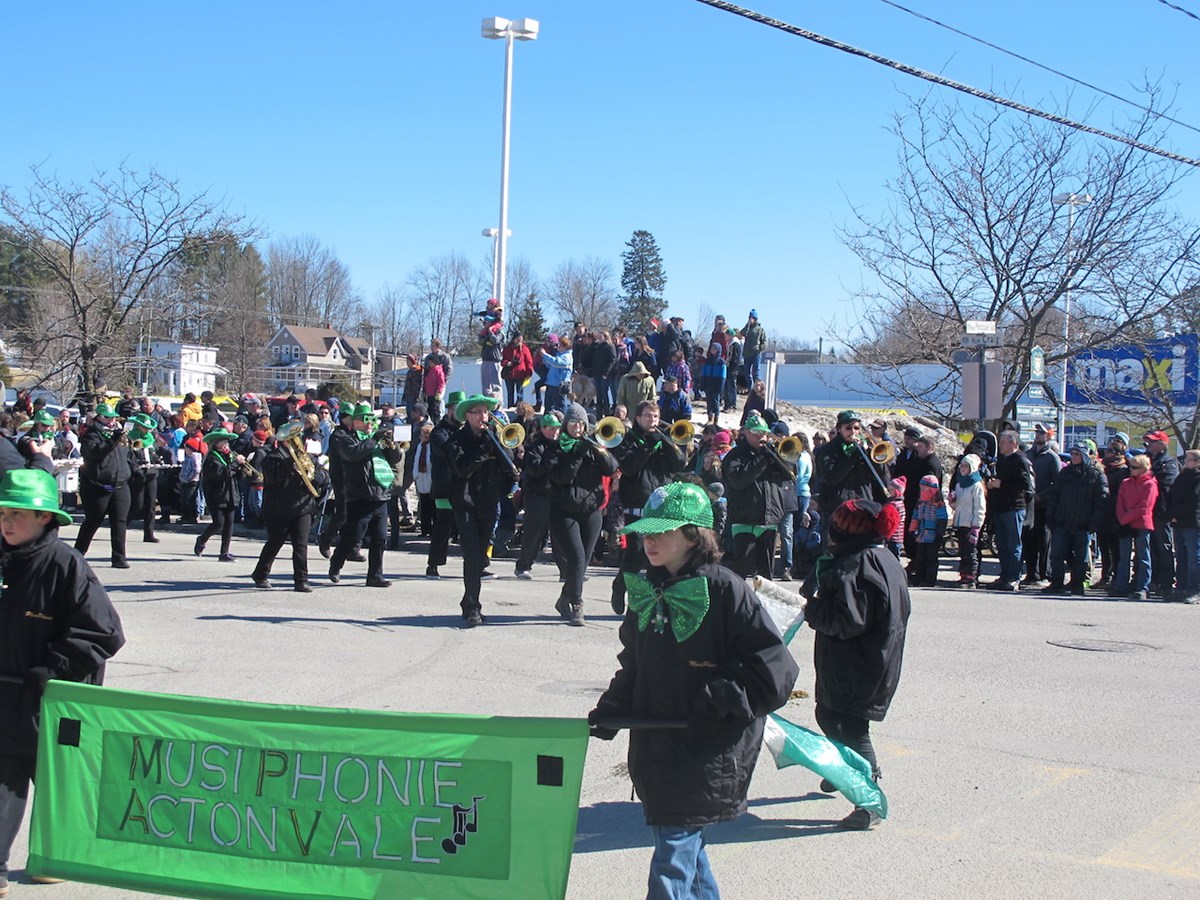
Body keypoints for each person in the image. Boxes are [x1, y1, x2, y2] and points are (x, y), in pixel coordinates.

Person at [588, 481, 799, 898]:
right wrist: (615, 704)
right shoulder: (646, 588)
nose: (648, 540)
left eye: (661, 531)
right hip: (658, 741)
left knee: (672, 855)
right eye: (646, 530)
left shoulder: (726, 589)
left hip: (708, 744)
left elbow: (774, 666)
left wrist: (721, 695)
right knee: (686, 850)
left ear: (691, 536)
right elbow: (634, 660)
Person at [0, 469, 125, 897]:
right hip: (6, 696)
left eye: (18, 513)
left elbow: (103, 632)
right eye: (3, 513)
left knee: (56, 785)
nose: (7, 522)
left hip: (50, 700)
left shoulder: (65, 564)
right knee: (5, 780)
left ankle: (54, 856)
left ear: (46, 519)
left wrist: (53, 668)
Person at [802, 498, 910, 830]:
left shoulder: (858, 565)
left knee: (852, 728)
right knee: (828, 714)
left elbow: (846, 620)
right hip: (870, 661)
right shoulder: (881, 556)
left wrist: (811, 610)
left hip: (859, 666)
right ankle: (842, 770)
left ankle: (870, 801)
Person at [609, 401, 687, 613]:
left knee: (661, 557)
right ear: (638, 418)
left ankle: (653, 602)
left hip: (662, 507)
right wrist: (647, 446)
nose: (652, 421)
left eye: (655, 416)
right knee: (636, 553)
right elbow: (629, 467)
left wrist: (668, 443)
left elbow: (679, 464)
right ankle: (620, 586)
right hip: (636, 505)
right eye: (648, 416)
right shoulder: (627, 439)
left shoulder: (663, 438)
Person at [546, 403, 618, 625]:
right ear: (566, 424)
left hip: (591, 511)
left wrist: (600, 450)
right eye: (573, 422)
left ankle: (564, 598)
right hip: (563, 512)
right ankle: (577, 604)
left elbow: (612, 468)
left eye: (581, 423)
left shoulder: (593, 446)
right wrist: (577, 454)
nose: (577, 427)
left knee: (583, 561)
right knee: (576, 558)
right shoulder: (556, 448)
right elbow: (562, 478)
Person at [445, 394, 512, 626]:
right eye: (479, 412)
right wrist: (485, 452)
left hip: (489, 502)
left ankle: (468, 600)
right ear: (468, 416)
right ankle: (473, 607)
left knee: (481, 556)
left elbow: (508, 466)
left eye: (486, 412)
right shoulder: (455, 441)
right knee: (472, 555)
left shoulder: (492, 437)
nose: (484, 416)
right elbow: (463, 468)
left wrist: (507, 451)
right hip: (465, 503)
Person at [251, 422, 330, 593]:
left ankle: (301, 580)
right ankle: (260, 574)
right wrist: (291, 466)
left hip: (303, 507)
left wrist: (316, 476)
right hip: (279, 508)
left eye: (297, 437)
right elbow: (271, 478)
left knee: (301, 545)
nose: (295, 441)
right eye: (291, 438)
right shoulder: (271, 457)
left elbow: (324, 475)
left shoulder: (307, 456)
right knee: (275, 542)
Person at [328, 403, 394, 588]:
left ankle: (375, 575)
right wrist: (373, 439)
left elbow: (394, 459)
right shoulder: (346, 439)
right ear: (355, 422)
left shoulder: (374, 440)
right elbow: (354, 454)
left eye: (372, 420)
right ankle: (336, 563)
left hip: (380, 494)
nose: (370, 424)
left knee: (380, 538)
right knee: (352, 537)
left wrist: (393, 446)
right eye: (366, 420)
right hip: (359, 495)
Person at [722, 414, 796, 578]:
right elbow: (739, 480)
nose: (761, 437)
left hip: (769, 520)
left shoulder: (772, 454)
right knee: (741, 569)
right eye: (756, 433)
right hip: (744, 520)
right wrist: (763, 458)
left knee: (766, 575)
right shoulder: (735, 456)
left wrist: (779, 456)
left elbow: (790, 475)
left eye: (763, 433)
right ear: (746, 433)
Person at [811, 410, 890, 543]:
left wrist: (874, 456)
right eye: (848, 428)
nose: (853, 432)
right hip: (836, 509)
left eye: (856, 428)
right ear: (839, 429)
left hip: (862, 507)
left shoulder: (866, 449)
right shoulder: (827, 450)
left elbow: (881, 475)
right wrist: (853, 456)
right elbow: (831, 478)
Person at [1042, 444, 1108, 596]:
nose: (1073, 456)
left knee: (1081, 557)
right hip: (1063, 521)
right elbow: (1054, 496)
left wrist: (1095, 522)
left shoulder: (1096, 475)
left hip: (1083, 524)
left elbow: (1101, 500)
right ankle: (1056, 582)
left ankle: (1077, 584)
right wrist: (1051, 516)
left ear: (1085, 455)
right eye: (1072, 453)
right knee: (1057, 554)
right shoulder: (1064, 473)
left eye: (1077, 454)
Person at [73, 403, 132, 569]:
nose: (111, 420)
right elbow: (94, 453)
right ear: (98, 417)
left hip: (120, 484)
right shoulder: (91, 434)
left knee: (120, 522)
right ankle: (77, 554)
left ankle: (119, 557)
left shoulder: (120, 435)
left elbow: (127, 455)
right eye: (107, 417)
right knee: (93, 520)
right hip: (98, 485)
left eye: (113, 416)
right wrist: (112, 440)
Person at [513, 411, 564, 580]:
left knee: (560, 535)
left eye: (557, 429)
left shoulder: (560, 445)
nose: (554, 432)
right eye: (551, 429)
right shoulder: (535, 446)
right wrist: (551, 456)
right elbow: (535, 469)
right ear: (543, 428)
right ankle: (523, 566)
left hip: (556, 495)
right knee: (533, 533)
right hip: (537, 496)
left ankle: (566, 571)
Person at [986, 430, 1035, 591]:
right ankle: (1004, 575)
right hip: (1000, 507)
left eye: (1003, 442)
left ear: (1013, 443)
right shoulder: (1002, 460)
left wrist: (1002, 485)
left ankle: (1014, 577)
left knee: (1013, 544)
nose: (1000, 445)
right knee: (1002, 544)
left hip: (1014, 507)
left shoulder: (1020, 460)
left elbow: (1025, 485)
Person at [425, 391, 466, 579]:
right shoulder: (438, 432)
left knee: (470, 529)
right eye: (457, 409)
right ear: (449, 410)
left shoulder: (466, 430)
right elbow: (447, 451)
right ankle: (433, 565)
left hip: (465, 488)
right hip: (445, 487)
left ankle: (479, 565)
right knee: (443, 528)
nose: (461, 414)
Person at [193, 428, 244, 561]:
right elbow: (222, 474)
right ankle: (202, 539)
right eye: (223, 441)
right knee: (218, 523)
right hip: (217, 495)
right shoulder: (212, 458)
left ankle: (224, 552)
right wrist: (235, 464)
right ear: (216, 443)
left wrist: (241, 467)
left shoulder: (230, 456)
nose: (226, 444)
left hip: (231, 493)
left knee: (229, 523)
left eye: (227, 441)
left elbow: (236, 474)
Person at [1114, 453, 1158, 600]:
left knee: (1143, 557)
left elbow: (1144, 506)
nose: (1131, 469)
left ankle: (1142, 587)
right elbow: (1119, 502)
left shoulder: (1150, 484)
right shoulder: (1126, 483)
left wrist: (1126, 518)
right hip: (1125, 523)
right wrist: (1123, 519)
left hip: (1142, 523)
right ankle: (1121, 586)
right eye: (1130, 466)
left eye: (1135, 467)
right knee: (1123, 557)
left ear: (1143, 469)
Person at [1024, 423, 1060, 586]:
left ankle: (1044, 574)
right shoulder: (1027, 455)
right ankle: (1031, 573)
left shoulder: (1052, 458)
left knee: (1044, 541)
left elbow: (1058, 484)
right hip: (1029, 506)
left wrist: (1042, 496)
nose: (1038, 435)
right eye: (1036, 432)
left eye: (1041, 433)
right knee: (1029, 539)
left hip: (1045, 506)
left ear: (1048, 436)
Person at [1144, 430, 1179, 597]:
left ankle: (1166, 582)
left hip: (1161, 512)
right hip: (1146, 511)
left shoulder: (1169, 462)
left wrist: (1150, 473)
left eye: (1152, 442)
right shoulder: (1149, 460)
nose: (1149, 445)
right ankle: (1153, 580)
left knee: (1163, 547)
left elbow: (1167, 484)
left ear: (1162, 444)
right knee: (1148, 548)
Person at [949, 454, 987, 588]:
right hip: (960, 523)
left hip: (971, 524)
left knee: (971, 552)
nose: (963, 468)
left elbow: (980, 508)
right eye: (961, 466)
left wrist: (976, 527)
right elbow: (957, 506)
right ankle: (963, 575)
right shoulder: (960, 484)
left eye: (966, 466)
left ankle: (971, 578)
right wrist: (952, 501)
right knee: (963, 551)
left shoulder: (976, 486)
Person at [1169, 449, 1200, 603]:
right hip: (1178, 521)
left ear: (1197, 462)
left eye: (1189, 459)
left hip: (1192, 522)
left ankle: (1194, 589)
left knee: (1194, 557)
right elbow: (1172, 494)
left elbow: (1193, 501)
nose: (1186, 462)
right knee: (1181, 556)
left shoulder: (1197, 478)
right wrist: (1171, 514)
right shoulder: (1182, 476)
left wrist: (1176, 513)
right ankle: (1180, 587)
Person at [908, 474, 947, 587]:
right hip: (921, 534)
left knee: (931, 558)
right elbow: (915, 517)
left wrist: (939, 534)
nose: (923, 491)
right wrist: (912, 531)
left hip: (933, 534)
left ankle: (930, 579)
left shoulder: (938, 504)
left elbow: (942, 519)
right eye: (921, 488)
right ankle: (919, 577)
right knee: (920, 557)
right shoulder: (920, 502)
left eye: (925, 489)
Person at [501, 332, 534, 408]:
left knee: (520, 394)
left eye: (521, 339)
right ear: (514, 339)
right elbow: (502, 360)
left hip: (521, 374)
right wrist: (507, 363)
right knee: (510, 393)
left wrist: (529, 372)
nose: (519, 341)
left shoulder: (525, 349)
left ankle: (520, 409)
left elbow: (529, 362)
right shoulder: (508, 348)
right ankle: (510, 407)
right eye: (518, 339)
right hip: (509, 374)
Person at [699, 342, 726, 426]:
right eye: (712, 348)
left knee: (716, 402)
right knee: (709, 401)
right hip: (708, 383)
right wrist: (702, 383)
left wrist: (720, 387)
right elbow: (703, 373)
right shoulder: (708, 361)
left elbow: (723, 376)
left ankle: (716, 419)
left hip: (716, 383)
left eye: (715, 349)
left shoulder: (721, 362)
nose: (713, 350)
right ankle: (709, 418)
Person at [741, 309, 767, 387]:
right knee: (746, 372)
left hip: (756, 353)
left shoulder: (760, 330)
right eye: (749, 317)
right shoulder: (747, 328)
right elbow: (742, 333)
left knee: (756, 372)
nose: (750, 319)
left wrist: (759, 348)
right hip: (747, 353)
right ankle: (750, 388)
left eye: (752, 318)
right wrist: (747, 325)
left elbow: (764, 342)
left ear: (755, 319)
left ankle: (758, 388)